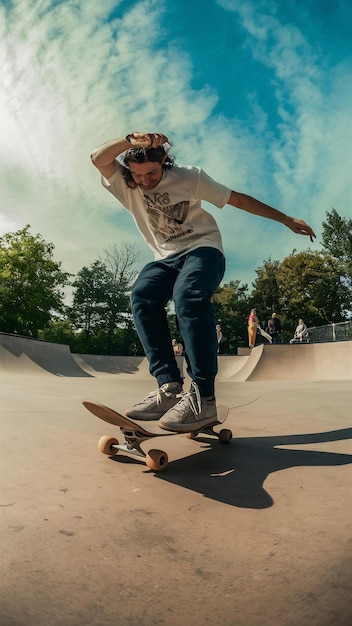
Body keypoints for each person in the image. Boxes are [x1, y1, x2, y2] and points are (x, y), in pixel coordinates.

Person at [90, 131, 316, 432]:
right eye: (138, 175)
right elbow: (98, 158)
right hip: (165, 258)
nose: (144, 181)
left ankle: (203, 397)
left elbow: (237, 199)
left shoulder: (189, 177)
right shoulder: (125, 181)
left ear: (165, 163)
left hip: (203, 250)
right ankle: (169, 387)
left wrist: (286, 219)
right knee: (142, 294)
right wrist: (132, 140)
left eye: (152, 173)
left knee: (189, 296)